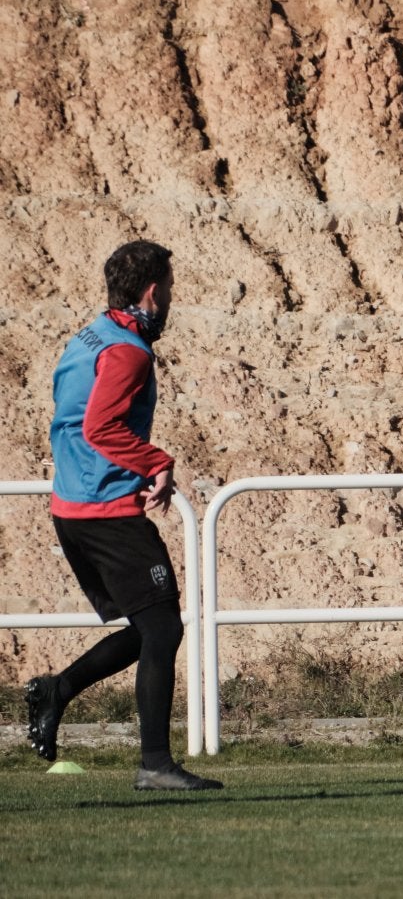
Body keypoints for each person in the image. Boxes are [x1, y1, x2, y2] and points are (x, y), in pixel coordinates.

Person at [26, 240, 222, 791]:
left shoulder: (92, 333)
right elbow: (100, 429)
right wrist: (156, 461)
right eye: (171, 292)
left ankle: (57, 690)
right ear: (154, 292)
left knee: (149, 625)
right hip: (103, 510)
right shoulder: (129, 352)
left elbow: (73, 418)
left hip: (72, 504)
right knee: (163, 628)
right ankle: (155, 764)